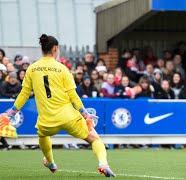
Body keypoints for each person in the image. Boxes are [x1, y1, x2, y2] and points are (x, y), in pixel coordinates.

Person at [5, 34, 115, 177]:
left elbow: (24, 94)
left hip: (47, 120)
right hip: (68, 116)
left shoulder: (32, 68)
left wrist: (11, 113)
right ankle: (103, 164)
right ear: (55, 48)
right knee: (94, 139)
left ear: (42, 49)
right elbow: (73, 95)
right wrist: (85, 114)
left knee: (43, 135)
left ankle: (50, 162)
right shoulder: (62, 69)